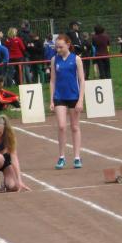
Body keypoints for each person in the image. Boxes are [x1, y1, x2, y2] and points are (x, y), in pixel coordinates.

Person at [49, 34, 85, 170]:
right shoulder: (54, 59)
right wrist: (51, 99)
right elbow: (52, 80)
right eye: (56, 47)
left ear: (68, 45)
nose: (58, 49)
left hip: (74, 96)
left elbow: (82, 80)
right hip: (59, 96)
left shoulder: (76, 59)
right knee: (62, 126)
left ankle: (77, 157)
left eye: (60, 47)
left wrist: (80, 100)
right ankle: (61, 156)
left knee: (75, 127)